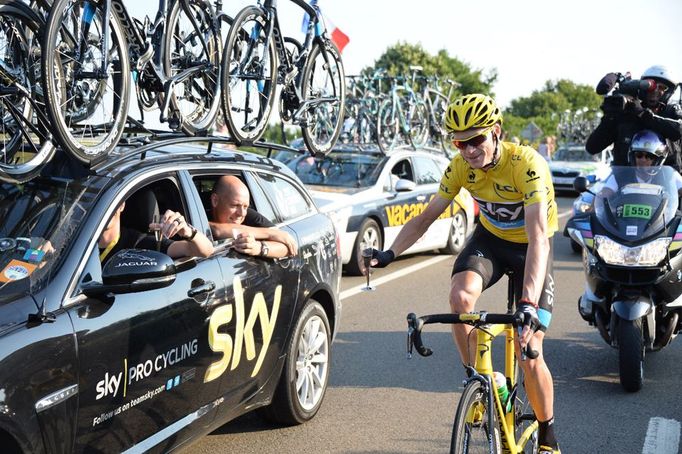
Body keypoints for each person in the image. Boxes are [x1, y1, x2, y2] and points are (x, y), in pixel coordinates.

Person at [369, 94, 561, 454]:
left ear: (496, 133)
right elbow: (425, 218)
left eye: (476, 140)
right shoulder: (460, 167)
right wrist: (389, 253)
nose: (469, 150)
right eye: (460, 142)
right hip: (490, 240)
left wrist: (529, 304)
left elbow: (538, 238)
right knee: (460, 299)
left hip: (530, 248)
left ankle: (548, 432)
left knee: (529, 348)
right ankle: (478, 379)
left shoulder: (527, 165)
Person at [586, 65, 682, 170]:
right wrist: (610, 117)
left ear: (669, 92)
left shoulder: (672, 112)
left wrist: (642, 114)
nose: (655, 91)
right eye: (651, 86)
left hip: (666, 182)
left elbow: (678, 131)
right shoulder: (626, 114)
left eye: (662, 87)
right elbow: (592, 147)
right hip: (625, 183)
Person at [209, 175, 297, 258]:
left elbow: (289, 246)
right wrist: (270, 233)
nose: (242, 213)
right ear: (215, 201)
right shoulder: (198, 219)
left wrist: (259, 247)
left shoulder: (248, 214)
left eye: (245, 206)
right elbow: (217, 230)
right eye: (235, 205)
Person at [99, 200, 214, 263]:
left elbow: (206, 250)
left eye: (109, 203)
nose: (103, 210)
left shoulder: (137, 243)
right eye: (97, 204)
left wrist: (188, 232)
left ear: (121, 205)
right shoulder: (81, 241)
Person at [602, 129, 682, 193]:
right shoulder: (620, 176)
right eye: (639, 155)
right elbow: (604, 193)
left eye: (649, 156)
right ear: (632, 156)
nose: (643, 160)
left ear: (658, 159)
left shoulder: (669, 176)